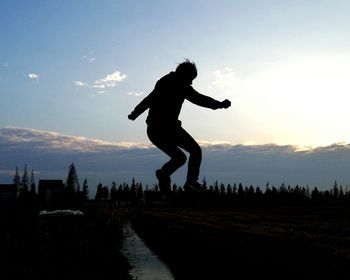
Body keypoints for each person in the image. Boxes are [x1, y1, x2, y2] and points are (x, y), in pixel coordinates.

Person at [128, 59, 231, 193]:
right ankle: (191, 182)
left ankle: (164, 173)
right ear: (184, 75)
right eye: (190, 79)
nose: (191, 82)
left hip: (153, 131)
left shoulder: (163, 81)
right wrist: (220, 104)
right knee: (195, 151)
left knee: (180, 158)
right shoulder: (180, 84)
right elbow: (198, 98)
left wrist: (135, 113)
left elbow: (149, 99)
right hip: (169, 129)